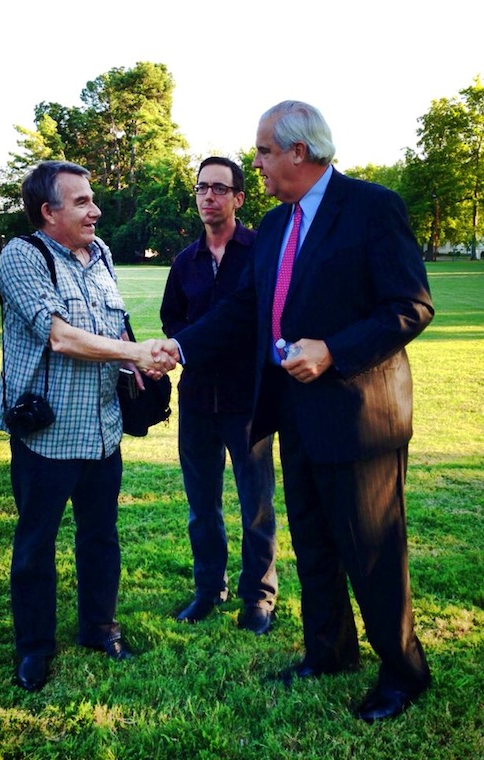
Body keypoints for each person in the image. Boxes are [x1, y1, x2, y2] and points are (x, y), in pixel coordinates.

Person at [155, 101, 434, 722]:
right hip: (294, 415)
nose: (255, 164)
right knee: (312, 542)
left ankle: (404, 672)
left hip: (360, 418)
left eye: (262, 152)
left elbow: (410, 305)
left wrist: (333, 350)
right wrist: (181, 346)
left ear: (298, 153)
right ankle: (329, 652)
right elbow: (244, 308)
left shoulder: (371, 207)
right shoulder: (278, 226)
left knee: (373, 550)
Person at [0, 160, 174, 692]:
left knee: (101, 537)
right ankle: (35, 648)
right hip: (47, 434)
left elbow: (110, 327)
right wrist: (133, 349)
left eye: (92, 199)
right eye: (81, 203)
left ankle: (100, 628)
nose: (95, 210)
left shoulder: (103, 257)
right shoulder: (22, 257)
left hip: (102, 429)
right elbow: (61, 337)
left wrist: (140, 361)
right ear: (48, 212)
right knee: (36, 544)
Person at [160, 157, 276, 635]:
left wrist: (203, 342)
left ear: (239, 197)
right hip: (197, 398)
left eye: (220, 188)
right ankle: (209, 589)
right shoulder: (185, 261)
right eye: (202, 188)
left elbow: (258, 317)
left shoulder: (261, 251)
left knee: (256, 502)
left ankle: (258, 597)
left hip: (247, 398)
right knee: (201, 503)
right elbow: (172, 319)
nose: (209, 196)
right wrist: (193, 346)